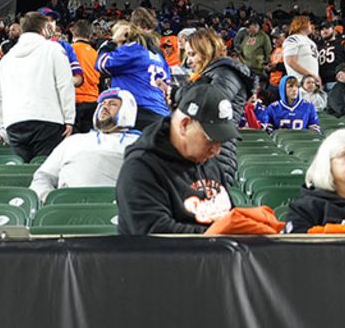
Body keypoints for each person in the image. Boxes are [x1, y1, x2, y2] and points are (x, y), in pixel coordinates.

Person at [116, 82, 239, 234]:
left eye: (221, 141)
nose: (217, 150)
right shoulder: (140, 167)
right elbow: (152, 234)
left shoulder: (209, 162)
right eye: (211, 139)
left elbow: (229, 218)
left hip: (214, 256)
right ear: (184, 125)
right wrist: (219, 235)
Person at [0, 12, 75, 161]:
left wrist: (1, 125)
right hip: (48, 120)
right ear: (43, 29)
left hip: (14, 122)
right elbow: (64, 85)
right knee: (45, 173)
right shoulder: (53, 49)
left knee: (22, 173)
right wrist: (69, 118)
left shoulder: (7, 58)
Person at [30, 88, 141, 202]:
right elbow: (43, 177)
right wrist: (52, 199)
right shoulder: (73, 141)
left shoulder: (139, 143)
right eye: (102, 104)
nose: (105, 107)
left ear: (127, 110)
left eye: (112, 104)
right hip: (71, 210)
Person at [181, 28, 251, 184]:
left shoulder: (226, 73)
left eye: (192, 54)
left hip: (216, 157)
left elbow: (210, 105)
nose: (188, 61)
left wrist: (177, 94)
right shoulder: (207, 75)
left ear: (206, 51)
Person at [96, 19, 172, 130]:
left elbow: (102, 63)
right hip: (162, 114)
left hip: (140, 113)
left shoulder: (132, 49)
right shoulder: (157, 56)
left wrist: (112, 41)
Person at [69, 20, 101, 134]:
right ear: (89, 35)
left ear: (74, 33)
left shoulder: (69, 50)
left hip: (74, 101)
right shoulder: (96, 53)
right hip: (93, 101)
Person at [282, 16, 320, 84]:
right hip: (300, 81)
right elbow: (290, 61)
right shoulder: (293, 39)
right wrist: (309, 75)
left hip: (312, 83)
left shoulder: (311, 42)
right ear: (302, 24)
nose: (311, 26)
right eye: (309, 23)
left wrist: (317, 79)